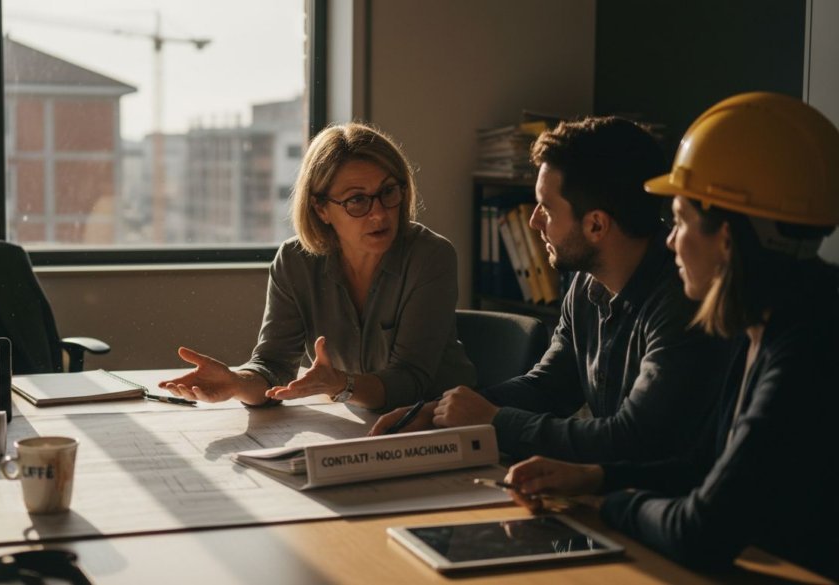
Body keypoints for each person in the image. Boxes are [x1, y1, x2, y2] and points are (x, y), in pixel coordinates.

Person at [501, 93, 839, 579]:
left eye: (678, 221)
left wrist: (607, 502)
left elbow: (699, 530)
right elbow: (702, 465)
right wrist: (595, 475)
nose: (669, 239)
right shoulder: (769, 322)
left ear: (725, 237)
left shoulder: (805, 352)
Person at [372, 116, 729, 464]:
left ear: (596, 225)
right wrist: (438, 411)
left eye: (546, 207)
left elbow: (631, 438)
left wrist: (494, 421)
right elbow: (551, 385)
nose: (533, 220)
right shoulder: (586, 282)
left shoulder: (685, 301)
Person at [160, 122, 476, 411]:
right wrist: (236, 384)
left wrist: (342, 385)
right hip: (358, 420)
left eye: (388, 192)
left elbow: (411, 383)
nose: (379, 214)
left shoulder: (430, 255)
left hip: (437, 422)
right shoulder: (295, 261)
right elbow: (273, 366)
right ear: (321, 208)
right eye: (357, 200)